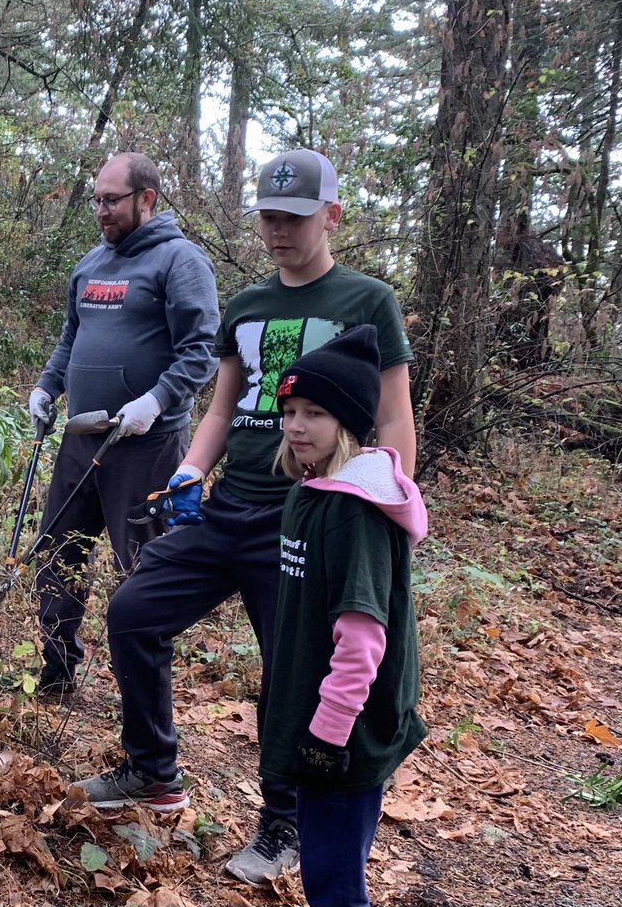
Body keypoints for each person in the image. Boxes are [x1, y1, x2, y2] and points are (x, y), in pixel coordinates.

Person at [72, 149, 417, 886]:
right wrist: (193, 469)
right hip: (230, 507)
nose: (278, 230)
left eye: (293, 217)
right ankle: (152, 770)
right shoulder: (250, 304)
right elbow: (225, 406)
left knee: (293, 672)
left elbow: (393, 420)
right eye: (267, 216)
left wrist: (384, 508)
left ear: (331, 215)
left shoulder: (367, 302)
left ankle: (285, 821)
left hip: (308, 518)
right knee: (133, 610)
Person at [27, 152, 220, 695]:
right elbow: (72, 336)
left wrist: (156, 401)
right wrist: (47, 386)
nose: (102, 210)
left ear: (147, 200)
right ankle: (58, 672)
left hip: (145, 444)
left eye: (112, 200)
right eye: (97, 199)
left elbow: (202, 350)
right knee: (58, 552)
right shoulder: (90, 264)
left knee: (142, 566)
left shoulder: (180, 262)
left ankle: (141, 682)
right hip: (81, 437)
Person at [261, 324, 427, 907]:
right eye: (290, 410)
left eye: (315, 413)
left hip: (341, 735)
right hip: (318, 721)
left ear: (349, 424)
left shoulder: (354, 514)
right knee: (324, 869)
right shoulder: (310, 492)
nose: (296, 425)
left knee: (332, 884)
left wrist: (328, 736)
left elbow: (362, 639)